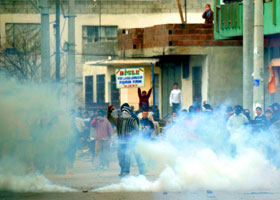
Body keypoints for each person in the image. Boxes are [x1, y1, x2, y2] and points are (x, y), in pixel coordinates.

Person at [107, 103, 145, 177]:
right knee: (121, 157)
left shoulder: (133, 119)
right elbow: (109, 118)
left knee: (128, 157)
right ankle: (123, 170)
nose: (124, 112)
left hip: (130, 142)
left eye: (126, 111)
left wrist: (131, 134)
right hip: (121, 142)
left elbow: (137, 130)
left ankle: (126, 172)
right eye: (123, 111)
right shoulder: (118, 119)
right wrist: (109, 110)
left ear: (129, 112)